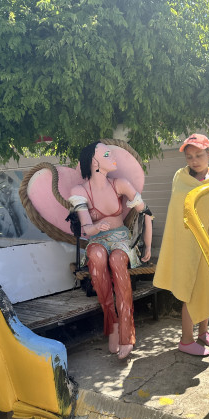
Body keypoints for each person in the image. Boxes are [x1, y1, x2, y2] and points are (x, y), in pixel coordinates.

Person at [69, 142, 152, 361]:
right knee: (96, 256)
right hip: (97, 239)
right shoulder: (79, 191)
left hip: (120, 238)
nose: (112, 157)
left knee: (116, 260)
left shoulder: (119, 184)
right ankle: (112, 323)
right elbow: (87, 228)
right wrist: (96, 227)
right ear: (94, 161)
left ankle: (127, 332)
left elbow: (145, 211)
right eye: (107, 154)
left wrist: (147, 244)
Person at [153, 134, 209, 357]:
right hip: (187, 243)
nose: (194, 161)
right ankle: (186, 340)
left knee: (207, 286)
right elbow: (178, 212)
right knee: (190, 289)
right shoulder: (181, 179)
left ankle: (203, 332)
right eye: (189, 157)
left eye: (199, 155)